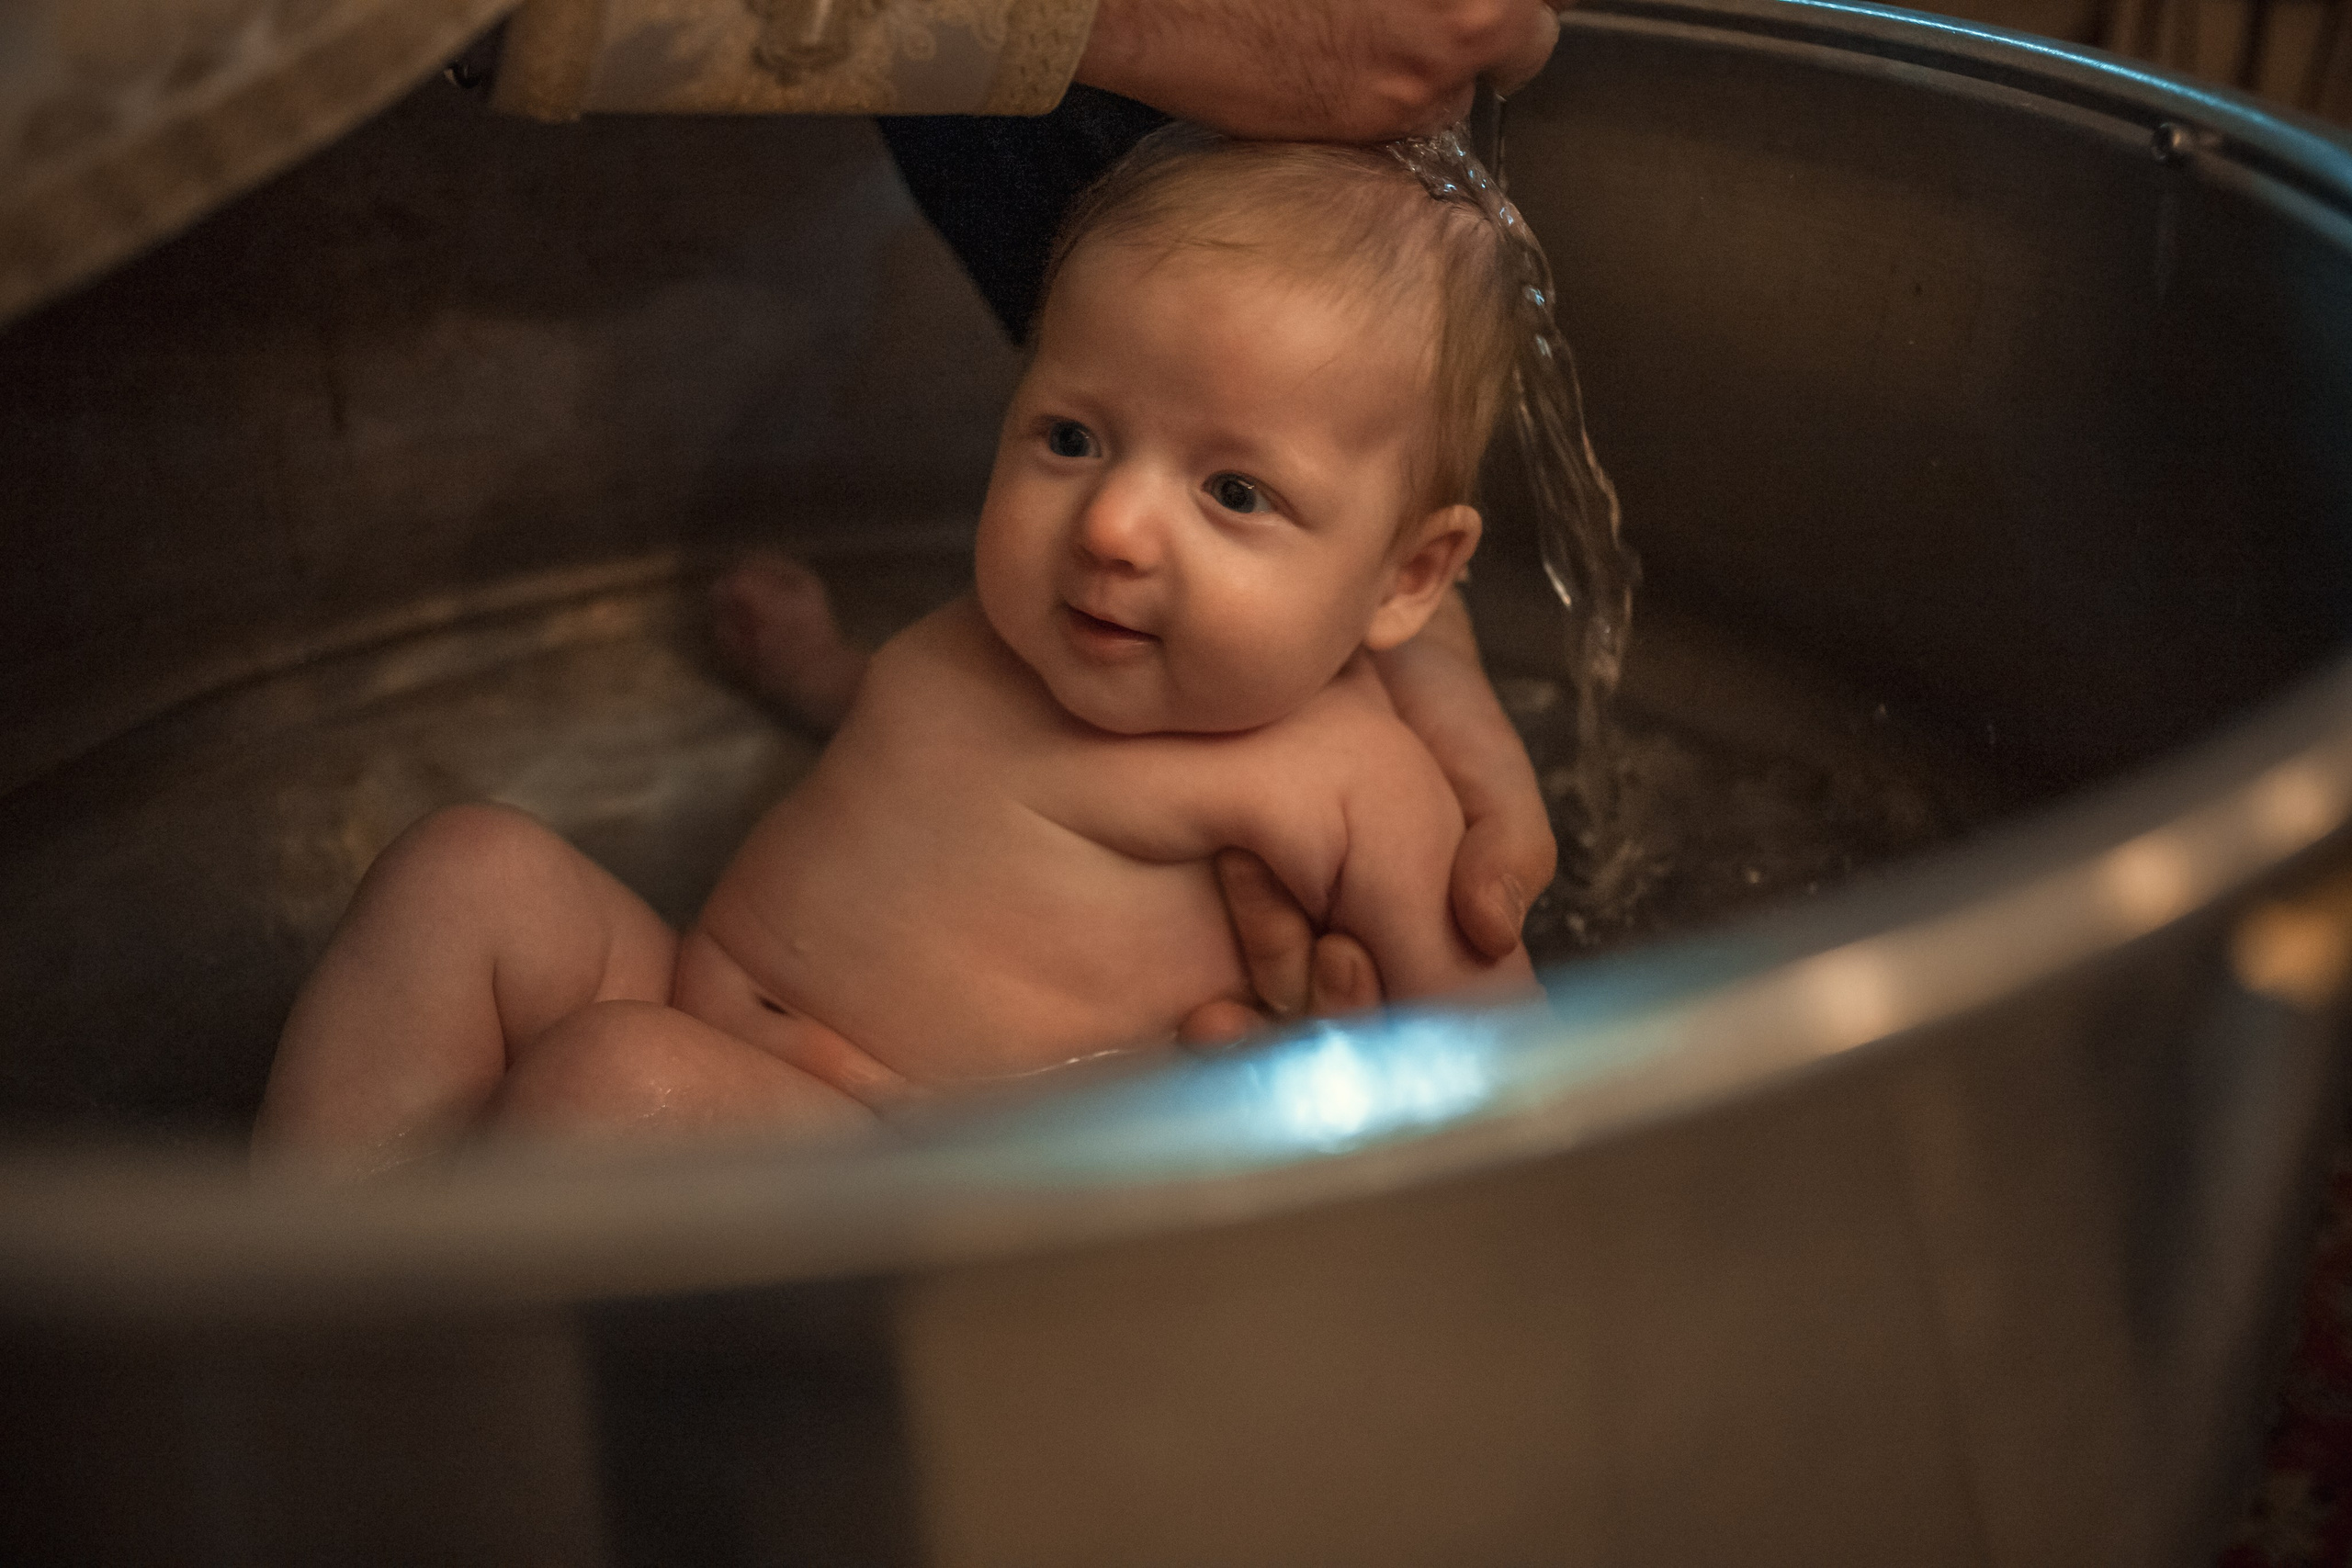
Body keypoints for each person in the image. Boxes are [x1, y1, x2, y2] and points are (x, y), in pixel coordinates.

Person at [253, 129, 1540, 1175]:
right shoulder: (1015, 631)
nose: (1112, 524)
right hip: (684, 1008)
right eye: (1073, 438)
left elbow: (1520, 1084)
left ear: (1411, 576)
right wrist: (812, 671)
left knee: (613, 1086)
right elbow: (920, 750)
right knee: (468, 868)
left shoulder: (1352, 781)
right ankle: (301, 1291)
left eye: (1238, 495)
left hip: (900, 1169)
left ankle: (447, 1418)